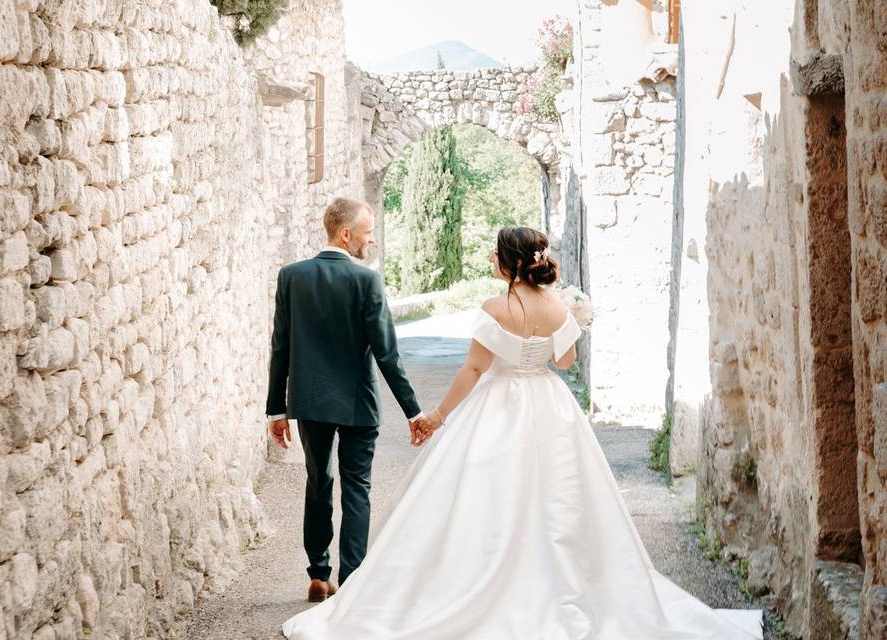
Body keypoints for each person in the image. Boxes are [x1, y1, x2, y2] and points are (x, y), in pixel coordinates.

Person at [282, 226, 763, 639]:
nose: (492, 259)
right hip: (549, 407)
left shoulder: (494, 307)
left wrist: (438, 416)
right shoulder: (558, 308)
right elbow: (565, 361)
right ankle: (558, 583)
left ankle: (484, 580)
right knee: (560, 497)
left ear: (508, 262)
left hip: (498, 405)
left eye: (495, 253)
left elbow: (474, 369)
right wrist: (574, 322)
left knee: (486, 496)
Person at [266, 197, 426, 604]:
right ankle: (352, 584)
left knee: (318, 482)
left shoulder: (291, 276)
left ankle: (319, 576)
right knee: (357, 489)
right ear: (345, 234)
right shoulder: (366, 281)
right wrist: (414, 411)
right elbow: (387, 353)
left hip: (310, 403)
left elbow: (280, 346)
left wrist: (276, 409)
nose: (372, 240)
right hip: (358, 404)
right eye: (368, 232)